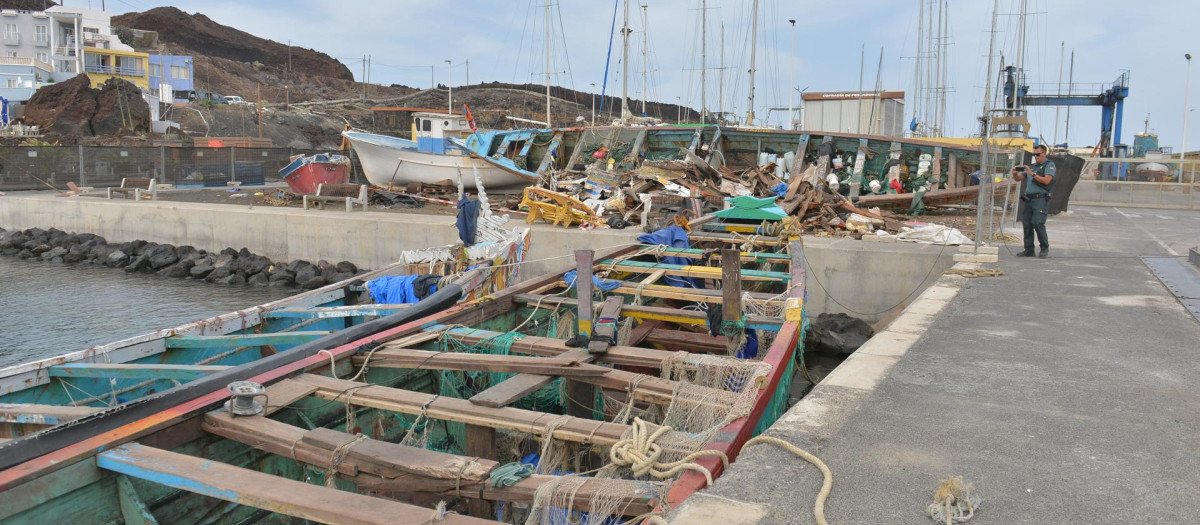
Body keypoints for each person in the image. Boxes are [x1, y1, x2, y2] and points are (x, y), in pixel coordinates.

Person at [1012, 144, 1056, 258]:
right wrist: (1015, 173)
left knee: (1038, 223)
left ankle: (1044, 248)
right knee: (1027, 223)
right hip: (1028, 199)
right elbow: (1018, 179)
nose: (1035, 157)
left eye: (1037, 154)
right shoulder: (1033, 166)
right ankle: (1029, 249)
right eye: (1034, 154)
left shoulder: (1049, 165)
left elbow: (1047, 180)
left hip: (1040, 199)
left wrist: (1033, 174)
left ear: (1044, 154)